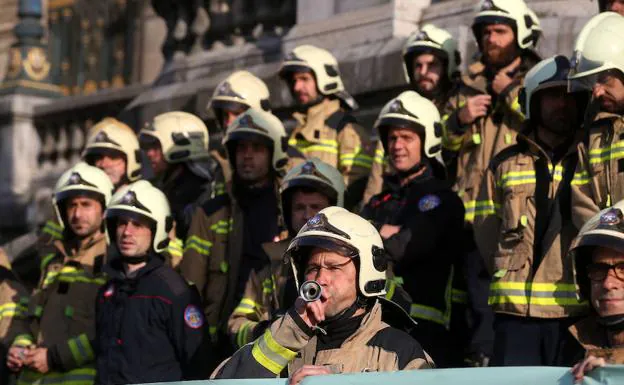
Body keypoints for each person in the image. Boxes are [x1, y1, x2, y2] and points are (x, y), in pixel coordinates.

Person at [213, 207, 434, 382]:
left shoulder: (399, 352)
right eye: (312, 268)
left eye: (333, 267)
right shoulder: (282, 339)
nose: (320, 279)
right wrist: (288, 333)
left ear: (366, 273)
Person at [441, 0, 542, 365]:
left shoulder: (537, 77)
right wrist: (458, 119)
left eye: (500, 31)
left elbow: (548, 120)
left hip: (514, 210)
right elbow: (445, 147)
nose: (491, 39)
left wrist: (510, 92)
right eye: (485, 32)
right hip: (468, 213)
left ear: (521, 35)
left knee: (504, 300)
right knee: (467, 299)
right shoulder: (466, 86)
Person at [473, 55, 590, 366]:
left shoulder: (590, 158)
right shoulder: (503, 163)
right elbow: (486, 229)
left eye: (569, 96)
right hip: (515, 316)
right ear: (533, 102)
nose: (562, 104)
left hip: (575, 314)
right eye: (552, 96)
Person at [360, 91, 465, 367]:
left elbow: (403, 248)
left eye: (406, 137)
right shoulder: (378, 201)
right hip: (374, 331)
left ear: (427, 141)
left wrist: (379, 232)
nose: (396, 145)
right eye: (392, 138)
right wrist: (384, 229)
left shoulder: (442, 199)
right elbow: (355, 247)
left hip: (427, 335)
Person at [180, 108, 287, 364]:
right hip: (220, 340)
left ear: (273, 154)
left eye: (256, 148)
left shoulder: (290, 206)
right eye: (241, 149)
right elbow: (191, 284)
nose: (247, 156)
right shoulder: (210, 212)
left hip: (274, 334)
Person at [6, 162, 113, 385]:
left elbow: (112, 332)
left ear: (104, 208)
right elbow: (28, 315)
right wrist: (20, 344)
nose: (77, 214)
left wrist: (54, 358)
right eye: (71, 206)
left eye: (86, 205)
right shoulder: (53, 260)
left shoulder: (113, 262)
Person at [94, 180, 206, 384]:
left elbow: (197, 363)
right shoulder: (107, 291)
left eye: (137, 224)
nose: (127, 232)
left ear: (157, 229)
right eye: (121, 223)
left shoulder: (173, 291)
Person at [227, 158, 345, 348]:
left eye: (316, 208)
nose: (307, 216)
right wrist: (265, 331)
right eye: (299, 208)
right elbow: (236, 325)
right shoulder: (269, 262)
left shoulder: (356, 256)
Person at [278, 44, 383, 208]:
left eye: (304, 79)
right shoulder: (297, 130)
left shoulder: (345, 128)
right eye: (294, 81)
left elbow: (356, 186)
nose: (297, 87)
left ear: (324, 79)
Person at [569, 12, 624, 229]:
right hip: (609, 254)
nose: (597, 91)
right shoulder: (595, 134)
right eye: (592, 81)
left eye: (604, 79)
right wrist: (609, 230)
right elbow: (580, 202)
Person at [567, 201, 624, 381]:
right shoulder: (569, 346)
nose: (608, 284)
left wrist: (614, 367)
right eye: (598, 270)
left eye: (623, 269)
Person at [139, 111, 213, 242]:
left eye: (156, 146)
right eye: (148, 147)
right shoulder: (167, 185)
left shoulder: (199, 190)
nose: (149, 153)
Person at [208, 70, 274, 188]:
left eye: (237, 114)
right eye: (225, 115)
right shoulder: (217, 163)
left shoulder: (283, 161)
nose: (228, 123)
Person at [403, 24, 461, 112]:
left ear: (447, 67)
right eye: (418, 65)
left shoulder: (463, 105)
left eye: (432, 65)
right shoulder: (403, 108)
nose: (423, 72)